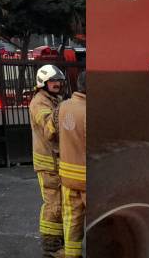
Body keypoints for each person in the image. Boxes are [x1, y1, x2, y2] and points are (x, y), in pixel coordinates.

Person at [29, 64, 66, 256]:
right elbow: (49, 128)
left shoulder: (54, 100)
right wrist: (68, 110)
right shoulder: (39, 103)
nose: (57, 84)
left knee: (61, 204)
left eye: (59, 80)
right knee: (53, 205)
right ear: (43, 82)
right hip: (48, 162)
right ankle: (51, 246)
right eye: (53, 81)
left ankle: (59, 242)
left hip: (57, 161)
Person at [58, 72, 87, 258]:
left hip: (68, 176)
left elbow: (50, 132)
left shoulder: (62, 107)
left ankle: (71, 255)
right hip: (88, 178)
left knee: (72, 221)